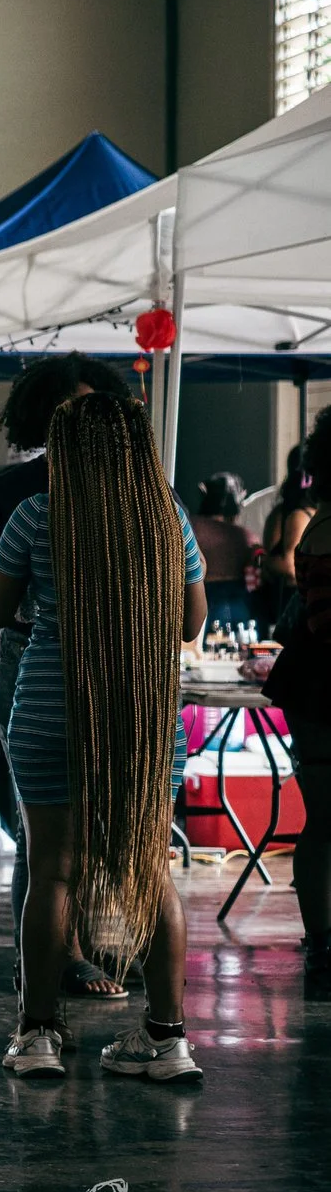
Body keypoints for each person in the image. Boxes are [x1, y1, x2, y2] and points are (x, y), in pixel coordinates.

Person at [0, 392, 205, 1082]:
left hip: (49, 709)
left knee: (51, 871)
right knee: (150, 868)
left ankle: (39, 1034)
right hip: (143, 717)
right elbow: (192, 623)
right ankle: (167, 1040)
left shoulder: (35, 515)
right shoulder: (167, 518)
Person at [0, 353, 135, 998]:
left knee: (105, 816)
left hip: (116, 668)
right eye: (66, 411)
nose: (79, 424)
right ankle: (50, 959)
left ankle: (88, 940)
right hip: (31, 659)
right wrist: (32, 593)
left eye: (90, 409)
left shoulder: (135, 491)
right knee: (44, 820)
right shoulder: (11, 492)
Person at [259, 406, 331, 988]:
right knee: (326, 815)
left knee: (323, 816)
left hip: (311, 677)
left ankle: (321, 940)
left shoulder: (320, 521)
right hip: (323, 678)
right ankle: (323, 941)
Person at [257, 443, 312, 633]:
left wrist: (263, 562)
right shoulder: (298, 515)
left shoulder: (286, 512)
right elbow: (290, 565)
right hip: (294, 598)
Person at [192, 472, 258, 630]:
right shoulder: (245, 537)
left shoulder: (191, 527)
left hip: (198, 599)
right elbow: (254, 567)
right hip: (238, 603)